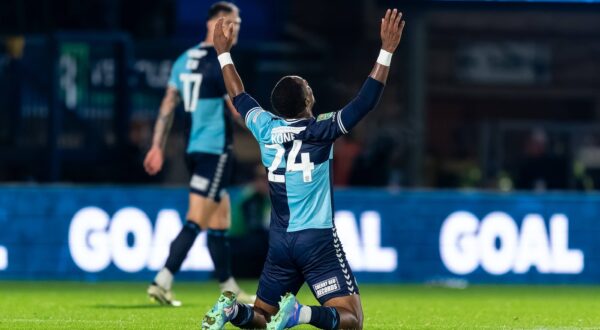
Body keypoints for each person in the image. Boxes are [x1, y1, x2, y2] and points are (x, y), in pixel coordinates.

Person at [201, 8, 405, 330]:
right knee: (353, 320)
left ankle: (233, 311)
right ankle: (301, 314)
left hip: (280, 242)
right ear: (308, 100)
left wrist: (223, 53)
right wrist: (387, 50)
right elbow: (365, 102)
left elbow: (238, 94)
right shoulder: (322, 130)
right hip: (316, 240)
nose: (310, 87)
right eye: (307, 86)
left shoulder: (264, 127)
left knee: (262, 318)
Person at [143, 1, 253, 306]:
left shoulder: (184, 59)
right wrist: (267, 132)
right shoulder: (220, 61)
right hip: (215, 149)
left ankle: (229, 289)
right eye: (233, 22)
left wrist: (156, 145)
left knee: (221, 219)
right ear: (217, 24)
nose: (237, 28)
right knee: (197, 218)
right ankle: (162, 280)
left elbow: (168, 104)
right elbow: (236, 109)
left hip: (193, 150)